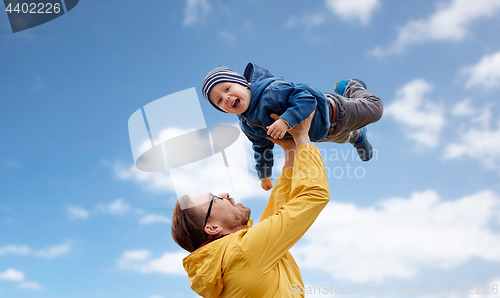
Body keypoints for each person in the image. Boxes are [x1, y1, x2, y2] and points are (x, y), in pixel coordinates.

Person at [171, 111, 330, 297]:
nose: (225, 194)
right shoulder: (243, 252)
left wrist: (291, 151)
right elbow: (313, 195)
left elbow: (276, 213)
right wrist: (302, 138)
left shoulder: (228, 260)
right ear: (212, 228)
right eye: (215, 199)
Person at [201, 63, 383, 190]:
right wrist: (264, 173)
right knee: (346, 137)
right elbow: (261, 147)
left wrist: (285, 121)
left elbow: (306, 98)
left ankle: (351, 87)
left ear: (243, 84)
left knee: (375, 110)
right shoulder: (248, 124)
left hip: (337, 111)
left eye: (227, 89)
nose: (225, 98)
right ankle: (359, 137)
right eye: (219, 101)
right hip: (323, 134)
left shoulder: (271, 91)